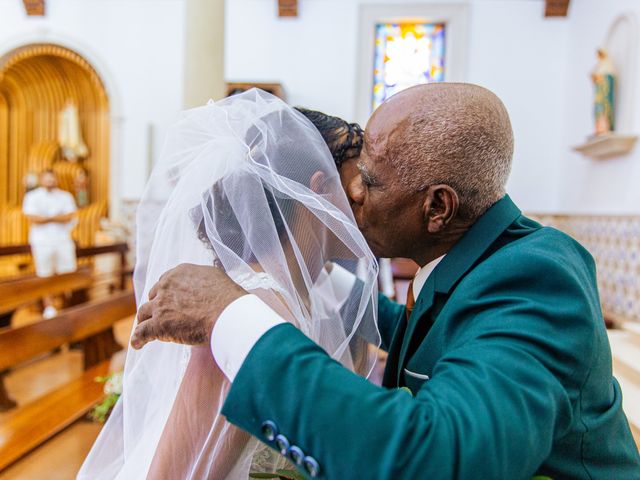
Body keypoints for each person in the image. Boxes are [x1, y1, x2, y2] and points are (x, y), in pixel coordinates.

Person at [131, 83, 640, 479]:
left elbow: (440, 459)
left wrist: (231, 316)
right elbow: (429, 329)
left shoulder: (535, 276)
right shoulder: (480, 260)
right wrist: (313, 277)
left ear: (437, 207)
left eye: (368, 179)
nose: (349, 190)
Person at [78, 90, 378, 479]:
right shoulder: (249, 305)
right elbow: (175, 472)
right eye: (361, 183)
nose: (368, 199)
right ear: (320, 189)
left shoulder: (307, 295)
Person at [22, 169, 78, 319]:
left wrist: (46, 218)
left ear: (57, 180)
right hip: (42, 242)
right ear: (41, 180)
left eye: (52, 179)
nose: (50, 182)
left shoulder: (65, 196)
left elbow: (69, 216)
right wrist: (56, 218)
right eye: (47, 179)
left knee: (66, 273)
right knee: (45, 274)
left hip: (62, 240)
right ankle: (49, 306)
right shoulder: (32, 197)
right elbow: (33, 218)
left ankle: (63, 305)